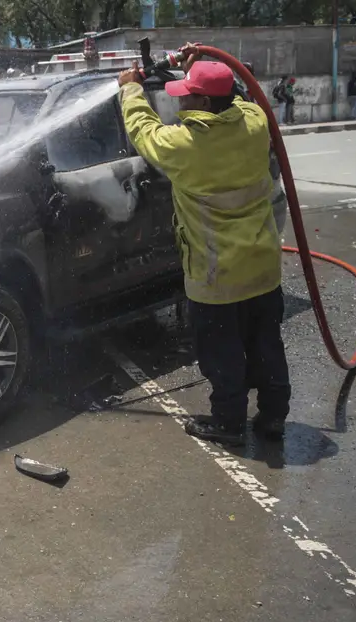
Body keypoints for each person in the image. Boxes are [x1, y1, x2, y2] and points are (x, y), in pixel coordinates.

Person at [117, 51, 290, 445]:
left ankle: (228, 424)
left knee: (221, 354)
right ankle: (273, 417)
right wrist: (197, 69)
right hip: (262, 268)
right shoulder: (255, 123)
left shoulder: (185, 145)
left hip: (217, 278)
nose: (180, 103)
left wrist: (130, 89)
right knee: (266, 346)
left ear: (206, 103)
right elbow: (241, 97)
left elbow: (144, 131)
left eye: (188, 96)